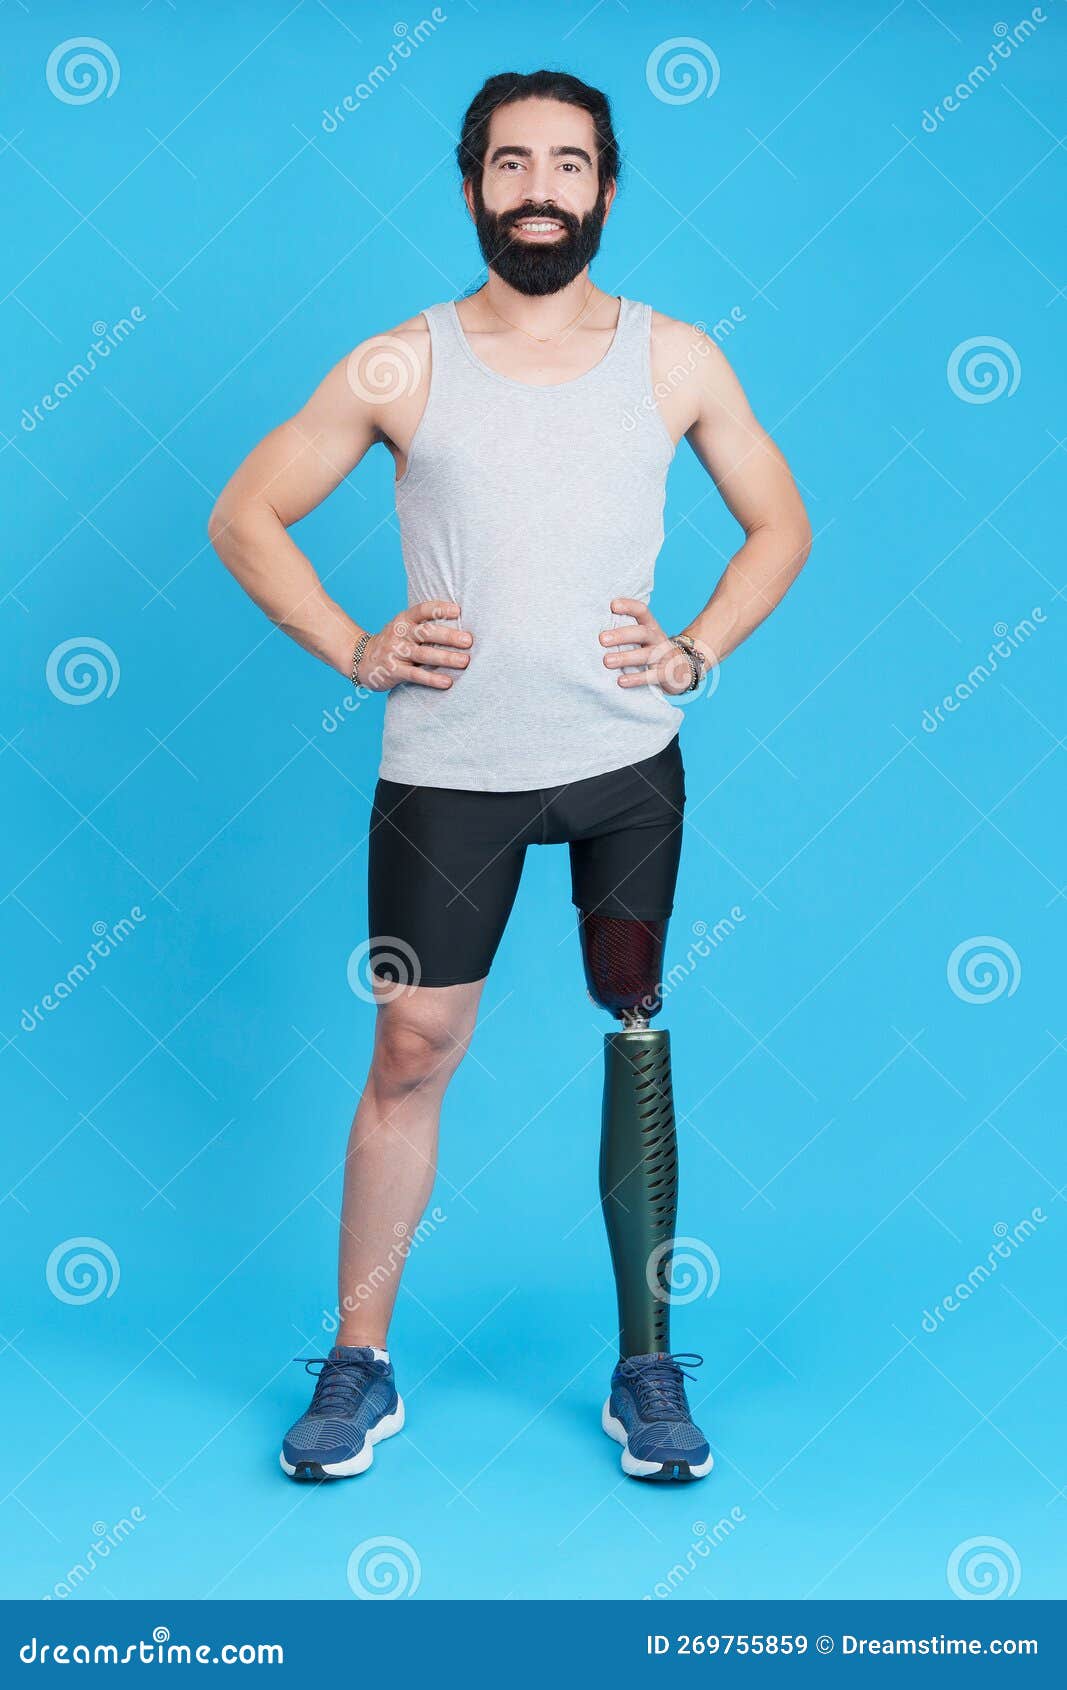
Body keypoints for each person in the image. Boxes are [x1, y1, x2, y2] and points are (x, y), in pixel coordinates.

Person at [208, 69, 811, 1486]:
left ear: (606, 188)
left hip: (623, 769)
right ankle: (359, 1362)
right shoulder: (399, 365)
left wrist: (699, 649)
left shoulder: (678, 358)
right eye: (511, 163)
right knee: (413, 1050)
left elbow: (780, 523)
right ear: (473, 182)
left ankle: (647, 1364)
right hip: (452, 777)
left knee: (636, 1023)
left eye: (569, 164)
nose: (540, 187)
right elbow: (245, 514)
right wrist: (355, 643)